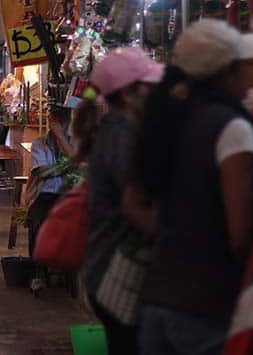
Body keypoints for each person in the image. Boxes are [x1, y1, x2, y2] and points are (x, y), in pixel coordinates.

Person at [136, 20, 253, 355]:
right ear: (228, 71)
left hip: (158, 296)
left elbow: (133, 202)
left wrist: (173, 238)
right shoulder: (231, 127)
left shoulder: (166, 119)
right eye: (246, 68)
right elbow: (240, 233)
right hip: (207, 305)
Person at [75, 47, 164, 355]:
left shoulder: (116, 131)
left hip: (107, 268)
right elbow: (134, 202)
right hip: (117, 270)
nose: (155, 93)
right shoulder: (122, 135)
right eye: (149, 87)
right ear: (129, 94)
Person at [27, 106, 74, 257]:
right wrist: (67, 166)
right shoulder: (39, 144)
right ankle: (37, 272)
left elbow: (78, 166)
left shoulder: (75, 143)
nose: (57, 124)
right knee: (37, 225)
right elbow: (41, 172)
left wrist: (61, 138)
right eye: (54, 119)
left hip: (69, 195)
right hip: (44, 195)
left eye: (62, 120)